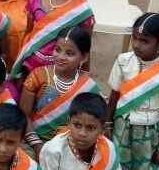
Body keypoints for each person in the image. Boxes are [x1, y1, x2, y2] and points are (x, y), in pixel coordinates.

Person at [107, 13, 159, 170]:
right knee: (116, 164)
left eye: (145, 41)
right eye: (135, 38)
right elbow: (114, 94)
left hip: (148, 130)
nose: (137, 45)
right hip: (121, 124)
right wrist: (107, 124)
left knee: (145, 169)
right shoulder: (123, 61)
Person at [19, 26, 99, 154]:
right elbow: (23, 116)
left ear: (83, 57)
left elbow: (91, 125)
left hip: (70, 148)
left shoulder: (89, 87)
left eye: (69, 53)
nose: (61, 57)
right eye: (57, 50)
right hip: (33, 143)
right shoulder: (37, 76)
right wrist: (37, 146)